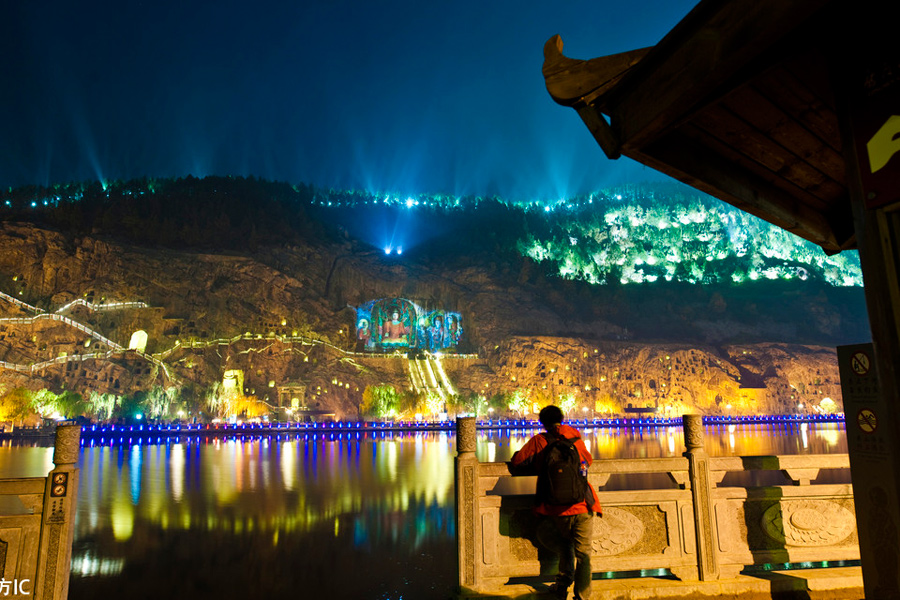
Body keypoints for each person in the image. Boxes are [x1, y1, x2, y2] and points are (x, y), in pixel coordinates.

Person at [509, 405, 602, 600]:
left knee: (563, 544)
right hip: (583, 503)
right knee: (584, 554)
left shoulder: (539, 441)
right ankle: (582, 597)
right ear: (562, 418)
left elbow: (518, 462)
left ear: (542, 422)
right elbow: (588, 461)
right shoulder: (575, 438)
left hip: (556, 507)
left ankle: (562, 584)